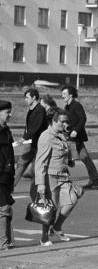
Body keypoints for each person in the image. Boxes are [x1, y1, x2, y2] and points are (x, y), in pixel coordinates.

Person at [33, 110, 83, 246]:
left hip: (63, 175)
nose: (66, 124)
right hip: (51, 177)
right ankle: (44, 237)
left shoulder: (61, 135)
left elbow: (63, 152)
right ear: (54, 121)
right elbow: (40, 162)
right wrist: (40, 184)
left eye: (67, 121)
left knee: (74, 197)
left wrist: (70, 159)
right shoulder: (46, 137)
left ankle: (56, 227)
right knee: (51, 208)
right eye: (62, 121)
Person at [60, 84, 98, 189]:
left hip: (75, 137)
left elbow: (83, 118)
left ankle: (64, 179)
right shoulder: (67, 106)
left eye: (64, 94)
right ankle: (94, 180)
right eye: (62, 93)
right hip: (71, 136)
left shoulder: (76, 105)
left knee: (65, 156)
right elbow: (70, 120)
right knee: (84, 158)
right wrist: (66, 126)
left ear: (71, 95)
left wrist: (76, 130)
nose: (62, 95)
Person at [12, 88, 48, 190]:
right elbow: (28, 127)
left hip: (39, 144)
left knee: (39, 168)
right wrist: (25, 137)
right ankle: (9, 188)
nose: (25, 100)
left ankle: (41, 190)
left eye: (27, 97)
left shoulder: (40, 110)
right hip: (30, 142)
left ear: (34, 97)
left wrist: (24, 137)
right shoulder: (32, 109)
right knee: (21, 163)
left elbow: (36, 126)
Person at [0, 102, 15, 250]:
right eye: (7, 112)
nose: (10, 115)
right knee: (4, 208)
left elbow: (9, 154)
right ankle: (5, 243)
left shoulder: (6, 130)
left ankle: (7, 242)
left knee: (6, 208)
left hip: (6, 176)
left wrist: (11, 174)